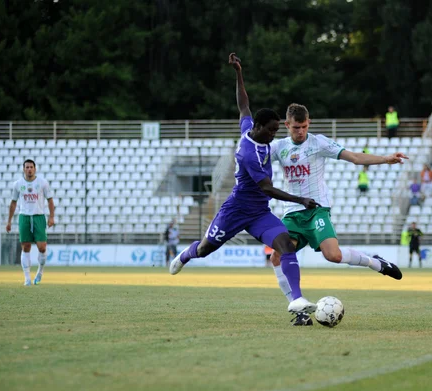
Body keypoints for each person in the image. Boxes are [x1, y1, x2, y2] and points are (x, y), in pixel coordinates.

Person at [170, 53, 320, 320]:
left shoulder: (250, 129)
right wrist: (301, 200)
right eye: (272, 130)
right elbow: (268, 188)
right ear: (261, 127)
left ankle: (297, 300)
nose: (275, 135)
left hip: (259, 213)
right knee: (205, 249)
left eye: (276, 130)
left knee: (286, 244)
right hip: (237, 209)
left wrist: (238, 72)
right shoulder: (249, 154)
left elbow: (243, 106)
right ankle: (185, 254)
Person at [269, 102, 406, 322]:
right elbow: (256, 158)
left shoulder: (318, 143)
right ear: (287, 125)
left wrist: (386, 159)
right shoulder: (279, 147)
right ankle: (299, 310)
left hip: (316, 209)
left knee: (333, 255)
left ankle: (377, 263)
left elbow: (355, 157)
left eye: (304, 126)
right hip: (292, 212)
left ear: (309, 123)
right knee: (277, 257)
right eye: (296, 127)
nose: (301, 131)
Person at [6, 159, 55, 286]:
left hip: (39, 217)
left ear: (35, 169)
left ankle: (40, 272)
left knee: (42, 247)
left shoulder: (42, 183)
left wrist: (51, 217)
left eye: (31, 167)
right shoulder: (18, 184)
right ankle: (27, 279)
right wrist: (9, 221)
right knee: (26, 247)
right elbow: (13, 203)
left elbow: (50, 201)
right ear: (23, 169)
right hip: (24, 217)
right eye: (27, 167)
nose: (29, 169)